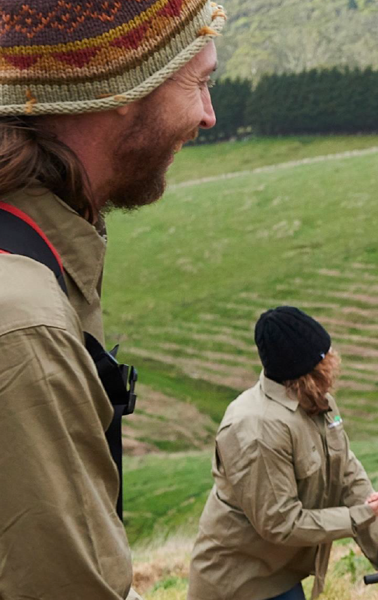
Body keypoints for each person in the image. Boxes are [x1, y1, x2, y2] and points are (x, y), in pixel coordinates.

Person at [0, 2, 225, 598]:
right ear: (123, 82)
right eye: (199, 83)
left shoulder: (35, 257)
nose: (208, 115)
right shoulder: (24, 323)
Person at [188, 306, 378, 600]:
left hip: (282, 575)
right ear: (306, 372)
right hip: (239, 584)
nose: (334, 362)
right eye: (325, 358)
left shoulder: (317, 401)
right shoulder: (256, 429)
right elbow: (281, 523)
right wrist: (356, 517)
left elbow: (347, 475)